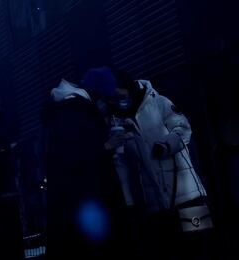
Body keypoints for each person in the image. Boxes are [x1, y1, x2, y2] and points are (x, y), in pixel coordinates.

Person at [104, 69, 211, 259]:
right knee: (172, 251)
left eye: (119, 95)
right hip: (155, 204)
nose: (118, 101)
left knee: (201, 247)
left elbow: (183, 128)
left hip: (188, 195)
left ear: (128, 88)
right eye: (112, 98)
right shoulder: (116, 121)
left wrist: (166, 145)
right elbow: (122, 167)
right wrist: (129, 203)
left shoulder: (158, 102)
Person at [43, 68, 126, 260]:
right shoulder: (76, 112)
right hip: (86, 207)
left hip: (77, 208)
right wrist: (106, 146)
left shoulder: (68, 109)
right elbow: (73, 156)